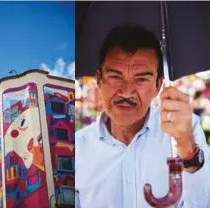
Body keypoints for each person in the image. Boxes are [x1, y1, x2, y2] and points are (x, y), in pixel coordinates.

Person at [75, 25, 210, 207]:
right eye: (115, 76)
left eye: (141, 79)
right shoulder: (76, 149)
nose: (127, 91)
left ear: (158, 85)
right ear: (99, 80)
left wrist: (187, 150)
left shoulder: (185, 131)